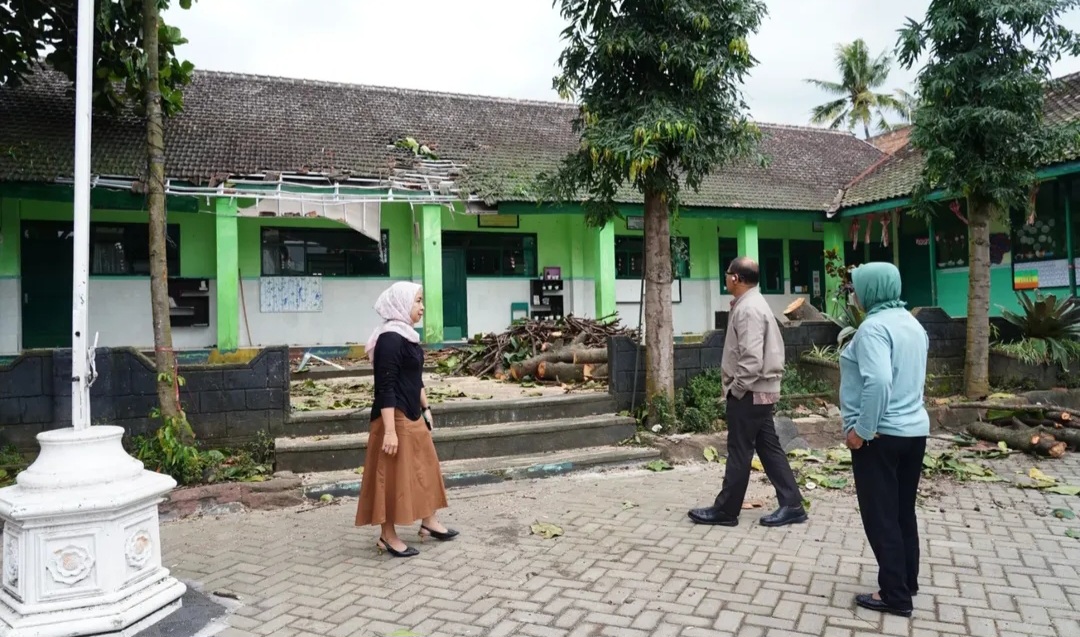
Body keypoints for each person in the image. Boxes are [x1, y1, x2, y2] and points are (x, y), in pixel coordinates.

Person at [688, 257, 807, 528]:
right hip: (758, 391)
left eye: (728, 274)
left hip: (750, 392)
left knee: (740, 450)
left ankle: (726, 510)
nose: (726, 278)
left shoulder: (749, 309)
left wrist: (736, 389)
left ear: (736, 279)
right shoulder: (752, 303)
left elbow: (752, 358)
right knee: (768, 448)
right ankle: (792, 504)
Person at [840, 262, 929, 618]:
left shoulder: (873, 328)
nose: (854, 293)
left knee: (881, 517)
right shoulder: (912, 323)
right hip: (913, 432)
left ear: (872, 289)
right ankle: (907, 579)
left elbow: (878, 382)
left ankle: (894, 595)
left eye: (857, 287)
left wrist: (860, 431)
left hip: (880, 436)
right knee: (902, 510)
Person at [355, 281, 457, 558]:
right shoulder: (389, 339)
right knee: (391, 477)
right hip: (394, 416)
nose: (422, 307)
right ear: (401, 304)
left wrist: (426, 408)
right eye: (418, 301)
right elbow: (385, 386)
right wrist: (389, 431)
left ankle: (429, 521)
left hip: (413, 413)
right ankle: (386, 536)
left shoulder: (408, 336)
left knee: (425, 467)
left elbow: (415, 377)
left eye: (422, 301)